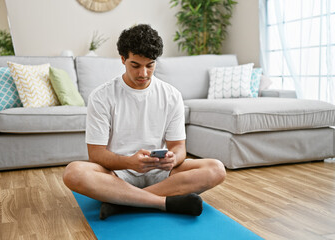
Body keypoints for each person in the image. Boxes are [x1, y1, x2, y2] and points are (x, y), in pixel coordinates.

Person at [63, 24, 226, 220]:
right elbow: (96, 154)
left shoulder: (171, 95)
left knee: (216, 169)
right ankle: (160, 202)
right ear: (123, 59)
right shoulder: (101, 96)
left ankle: (124, 203)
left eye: (150, 65)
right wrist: (129, 162)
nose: (144, 74)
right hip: (118, 174)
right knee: (73, 173)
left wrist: (174, 158)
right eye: (135, 65)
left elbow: (179, 147)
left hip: (161, 173)